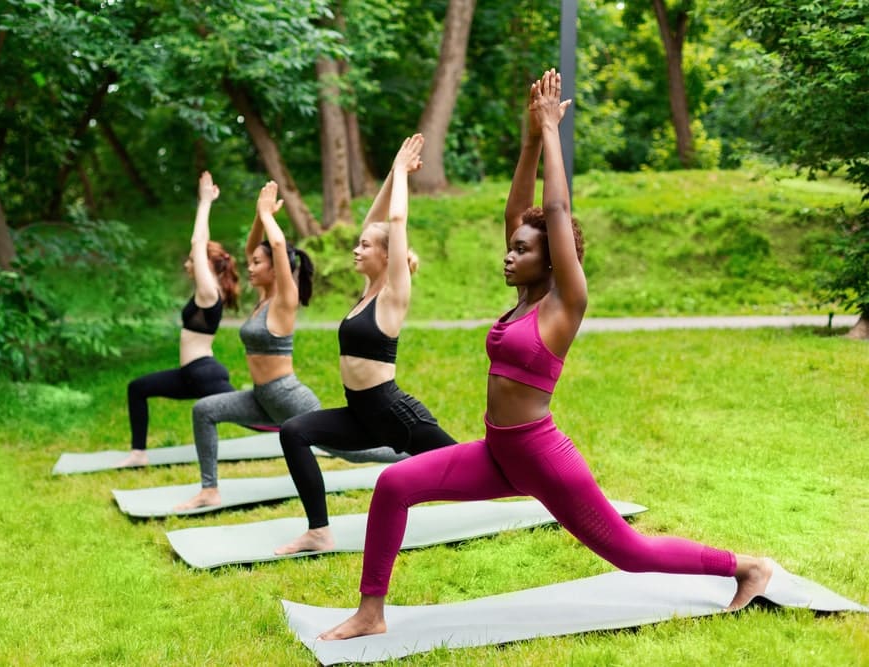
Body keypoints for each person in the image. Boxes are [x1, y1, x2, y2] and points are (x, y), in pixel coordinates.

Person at [319, 70, 773, 641]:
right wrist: (531, 138)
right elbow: (521, 210)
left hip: (541, 456)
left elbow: (554, 209)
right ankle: (371, 611)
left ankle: (746, 567)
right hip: (498, 450)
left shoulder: (566, 304)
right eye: (511, 248)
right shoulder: (522, 297)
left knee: (628, 553)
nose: (509, 255)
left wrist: (555, 130)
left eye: (522, 250)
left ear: (552, 259)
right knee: (394, 486)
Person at [275, 134, 457, 555]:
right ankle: (318, 530)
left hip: (394, 414)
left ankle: (538, 484)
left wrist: (399, 176)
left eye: (364, 246)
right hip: (360, 415)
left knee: (471, 467)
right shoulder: (367, 291)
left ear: (386, 255)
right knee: (294, 432)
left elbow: (394, 224)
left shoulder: (394, 293)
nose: (356, 249)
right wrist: (391, 175)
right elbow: (376, 222)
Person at [174, 180, 321, 509]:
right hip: (261, 397)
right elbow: (256, 244)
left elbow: (278, 244)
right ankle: (209, 490)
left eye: (257, 263)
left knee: (352, 451)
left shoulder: (284, 299)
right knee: (204, 410)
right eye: (251, 262)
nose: (249, 267)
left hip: (288, 396)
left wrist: (269, 216)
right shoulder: (262, 299)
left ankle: (418, 453)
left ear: (275, 269)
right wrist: (259, 214)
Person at [115, 172, 240, 468]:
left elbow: (199, 242)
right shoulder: (210, 290)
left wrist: (205, 201)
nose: (188, 263)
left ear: (207, 266)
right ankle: (138, 453)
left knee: (256, 416)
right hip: (190, 374)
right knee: (138, 388)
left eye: (192, 259)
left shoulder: (209, 291)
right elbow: (202, 243)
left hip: (204, 373)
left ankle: (308, 433)